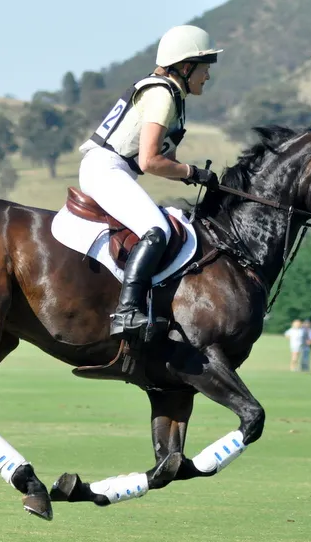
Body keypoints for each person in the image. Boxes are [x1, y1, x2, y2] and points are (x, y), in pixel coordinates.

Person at [77, 25, 223, 338]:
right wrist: (192, 172)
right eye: (204, 68)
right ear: (185, 67)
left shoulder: (166, 92)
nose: (207, 76)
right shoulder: (162, 94)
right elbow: (150, 161)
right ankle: (127, 311)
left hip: (112, 168)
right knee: (156, 230)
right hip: (106, 168)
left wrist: (191, 174)